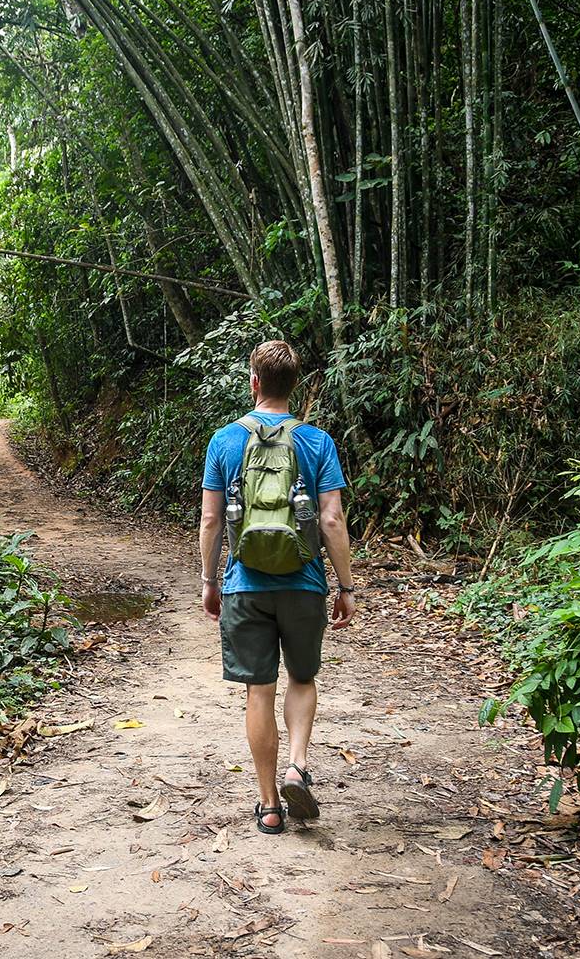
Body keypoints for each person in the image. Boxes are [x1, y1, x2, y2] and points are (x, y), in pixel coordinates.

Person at [198, 340, 356, 833]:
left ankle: (268, 805)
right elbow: (331, 519)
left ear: (254, 382)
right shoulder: (317, 442)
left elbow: (209, 520)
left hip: (245, 584)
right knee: (302, 679)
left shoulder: (224, 441)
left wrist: (209, 580)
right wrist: (345, 586)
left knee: (258, 692)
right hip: (305, 583)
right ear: (296, 387)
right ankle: (297, 765)